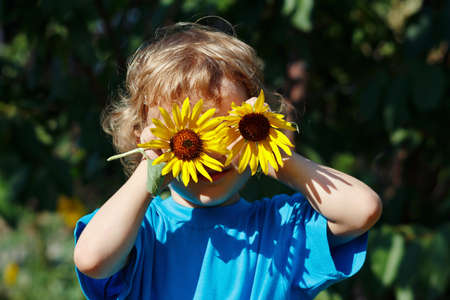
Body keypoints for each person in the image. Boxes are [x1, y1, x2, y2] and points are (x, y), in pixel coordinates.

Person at [73, 22, 382, 300]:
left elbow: (362, 210)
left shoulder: (281, 228)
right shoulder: (145, 231)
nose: (212, 153)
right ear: (145, 137)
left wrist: (271, 149)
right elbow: (92, 260)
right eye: (186, 133)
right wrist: (152, 161)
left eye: (228, 129)